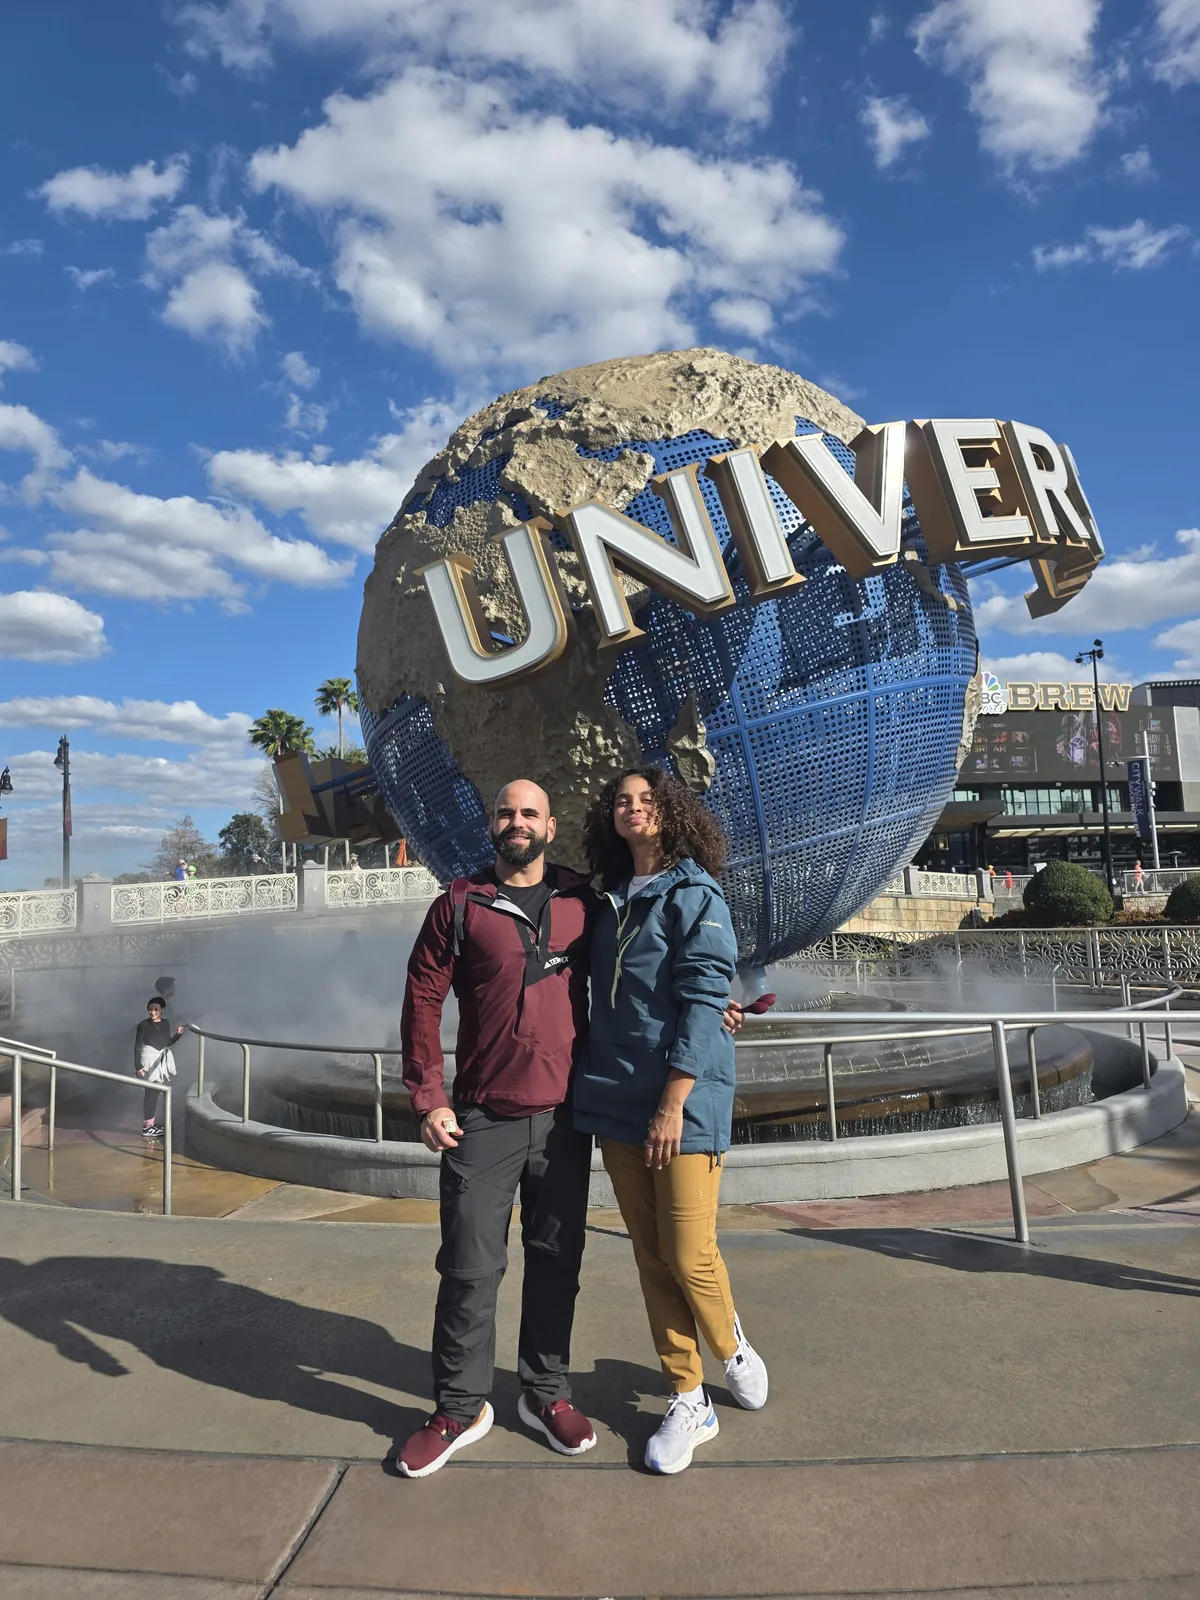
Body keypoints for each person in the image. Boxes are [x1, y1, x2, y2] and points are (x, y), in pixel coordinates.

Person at [396, 780, 598, 1477]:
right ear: (493, 824)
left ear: (552, 824)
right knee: (469, 1269)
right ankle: (460, 1406)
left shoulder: (583, 902)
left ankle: (545, 1393)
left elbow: (643, 973)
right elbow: (422, 998)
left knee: (556, 1264)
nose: (517, 822)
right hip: (482, 1119)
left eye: (530, 813)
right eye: (506, 812)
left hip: (567, 1119)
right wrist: (429, 1096)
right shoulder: (460, 904)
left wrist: (710, 1001)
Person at [573, 767, 768, 1475]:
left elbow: (702, 995)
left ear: (671, 813)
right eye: (621, 799)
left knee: (689, 1252)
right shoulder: (605, 902)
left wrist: (672, 1102)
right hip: (614, 1097)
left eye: (647, 799)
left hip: (681, 1100)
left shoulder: (695, 894)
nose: (633, 808)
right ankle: (689, 1397)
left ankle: (731, 1344)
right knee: (651, 1257)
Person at [134, 996, 183, 1141]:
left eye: (156, 1009)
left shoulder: (166, 1023)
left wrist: (178, 1034)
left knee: (154, 1091)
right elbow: (137, 1047)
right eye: (150, 1009)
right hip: (148, 1059)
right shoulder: (143, 1025)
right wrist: (138, 1066)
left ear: (163, 1010)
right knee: (151, 1092)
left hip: (160, 1058)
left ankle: (151, 1123)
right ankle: (148, 1126)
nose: (153, 1012)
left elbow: (167, 1042)